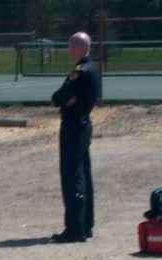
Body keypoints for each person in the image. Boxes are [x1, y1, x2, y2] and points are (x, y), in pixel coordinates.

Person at [50, 32, 100, 243]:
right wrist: (64, 99)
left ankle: (75, 228)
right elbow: (63, 98)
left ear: (78, 48)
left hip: (73, 126)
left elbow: (58, 97)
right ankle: (85, 224)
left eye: (71, 47)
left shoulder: (80, 71)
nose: (69, 51)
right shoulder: (93, 68)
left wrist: (64, 100)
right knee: (84, 174)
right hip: (84, 123)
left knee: (73, 175)